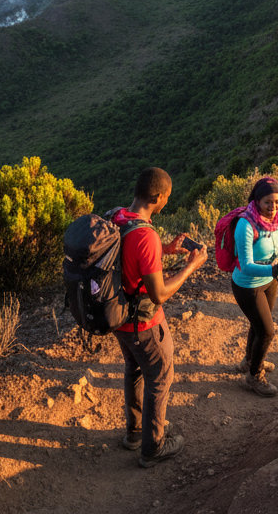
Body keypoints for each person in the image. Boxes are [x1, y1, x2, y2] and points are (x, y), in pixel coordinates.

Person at [111, 166, 208, 468]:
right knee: (160, 376)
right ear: (157, 197)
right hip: (144, 323)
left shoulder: (118, 217)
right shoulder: (145, 235)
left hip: (118, 317)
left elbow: (128, 258)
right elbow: (159, 294)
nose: (167, 201)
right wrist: (191, 266)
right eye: (167, 197)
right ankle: (153, 446)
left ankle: (134, 433)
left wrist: (165, 250)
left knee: (134, 369)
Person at [231, 176, 278, 398]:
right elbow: (246, 266)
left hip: (269, 281)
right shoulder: (246, 225)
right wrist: (276, 270)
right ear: (257, 201)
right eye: (268, 202)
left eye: (277, 202)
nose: (273, 207)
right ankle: (254, 376)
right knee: (267, 331)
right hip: (247, 285)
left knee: (258, 326)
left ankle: (250, 361)